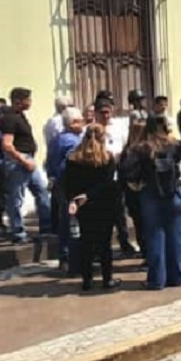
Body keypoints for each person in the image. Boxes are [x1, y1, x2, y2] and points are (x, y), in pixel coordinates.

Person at [126, 116, 181, 290]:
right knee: (176, 236)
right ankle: (177, 277)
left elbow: (127, 171)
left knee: (155, 237)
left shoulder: (141, 148)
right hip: (174, 193)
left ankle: (156, 280)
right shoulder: (174, 145)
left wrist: (137, 184)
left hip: (151, 194)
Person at [62, 124, 122, 292]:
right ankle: (107, 279)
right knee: (104, 244)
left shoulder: (73, 158)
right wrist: (90, 194)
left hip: (82, 205)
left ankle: (87, 280)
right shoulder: (107, 158)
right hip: (104, 204)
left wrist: (72, 200)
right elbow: (108, 183)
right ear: (103, 138)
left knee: (85, 242)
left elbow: (68, 183)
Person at [0, 87, 53, 244]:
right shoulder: (9, 118)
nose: (30, 102)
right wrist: (22, 160)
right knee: (16, 198)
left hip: (28, 159)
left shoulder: (19, 115)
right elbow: (7, 145)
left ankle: (46, 228)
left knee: (41, 190)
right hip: (18, 162)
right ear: (18, 101)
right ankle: (18, 232)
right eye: (28, 99)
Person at [96, 99, 140, 258]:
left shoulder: (118, 128)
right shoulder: (92, 129)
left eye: (108, 112)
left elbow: (126, 146)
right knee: (101, 213)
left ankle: (124, 242)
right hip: (100, 175)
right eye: (102, 112)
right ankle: (101, 246)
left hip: (117, 173)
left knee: (120, 211)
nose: (105, 115)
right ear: (96, 113)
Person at [48, 107, 85, 270]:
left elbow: (50, 162)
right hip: (71, 185)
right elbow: (70, 165)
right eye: (80, 121)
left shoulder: (56, 139)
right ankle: (74, 257)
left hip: (58, 184)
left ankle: (64, 256)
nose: (83, 124)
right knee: (74, 221)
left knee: (64, 220)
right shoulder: (74, 142)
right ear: (72, 123)